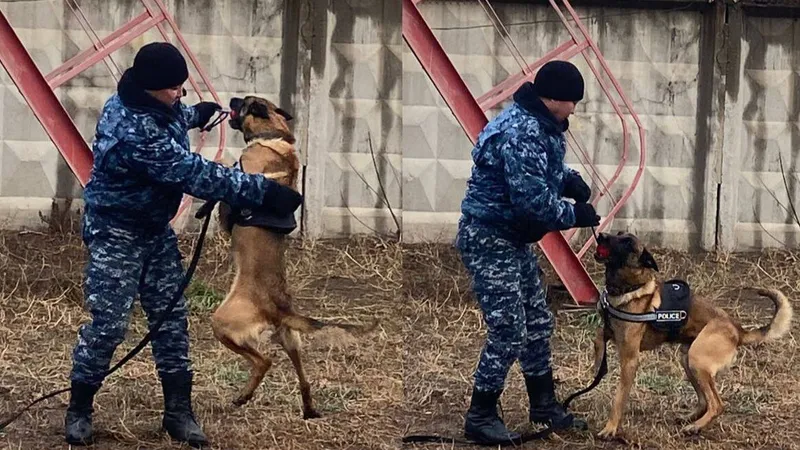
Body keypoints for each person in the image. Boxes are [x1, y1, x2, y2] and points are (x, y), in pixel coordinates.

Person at [63, 42, 303, 448]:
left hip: (154, 230)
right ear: (150, 87)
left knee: (171, 321)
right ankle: (79, 409)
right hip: (116, 231)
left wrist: (195, 115)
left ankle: (178, 412)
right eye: (173, 88)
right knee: (109, 325)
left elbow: (173, 116)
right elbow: (194, 174)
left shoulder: (155, 102)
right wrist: (263, 191)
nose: (180, 93)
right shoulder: (132, 129)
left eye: (181, 86)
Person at [455, 60, 601, 445]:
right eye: (572, 101)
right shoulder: (522, 132)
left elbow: (539, 171)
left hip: (513, 239)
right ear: (553, 98)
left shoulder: (541, 125)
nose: (574, 109)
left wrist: (568, 181)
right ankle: (480, 415)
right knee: (509, 330)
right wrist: (575, 214)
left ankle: (543, 405)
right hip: (490, 238)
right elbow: (532, 204)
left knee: (537, 322)